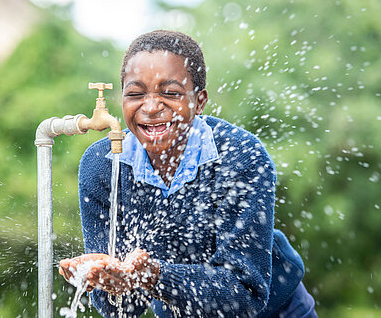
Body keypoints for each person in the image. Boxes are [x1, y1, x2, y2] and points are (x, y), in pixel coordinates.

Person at [59, 30, 317, 317]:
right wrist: (105, 279)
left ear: (200, 101)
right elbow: (122, 310)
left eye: (170, 93)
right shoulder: (103, 166)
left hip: (274, 310)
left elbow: (244, 293)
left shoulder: (239, 156)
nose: (152, 107)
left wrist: (154, 276)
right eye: (135, 94)